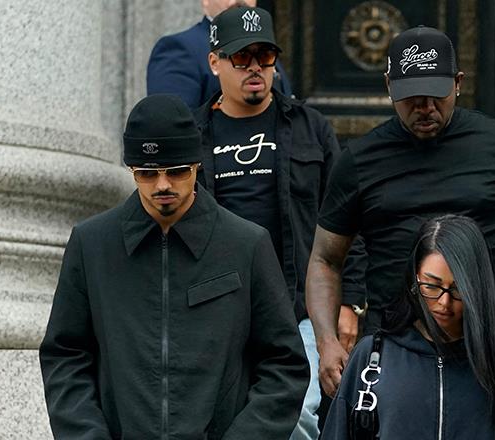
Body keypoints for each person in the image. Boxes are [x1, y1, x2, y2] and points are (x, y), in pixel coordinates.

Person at [39, 94, 309, 439]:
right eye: (147, 173)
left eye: (177, 171)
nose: (163, 185)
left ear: (197, 165)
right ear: (132, 170)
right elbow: (65, 356)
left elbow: (284, 364)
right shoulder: (91, 244)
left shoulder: (247, 244)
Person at [306, 25, 495, 398]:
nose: (425, 108)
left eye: (436, 95)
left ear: (458, 83)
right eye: (411, 98)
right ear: (389, 86)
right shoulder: (359, 160)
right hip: (394, 345)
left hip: (486, 344)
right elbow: (325, 260)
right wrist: (327, 343)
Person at [192, 6, 365, 439]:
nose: (255, 67)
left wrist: (351, 302)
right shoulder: (192, 135)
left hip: (298, 308)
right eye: (241, 56)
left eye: (264, 56)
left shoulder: (311, 127)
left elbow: (348, 218)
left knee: (296, 415)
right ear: (214, 62)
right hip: (217, 308)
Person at [322, 215, 495, 439]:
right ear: (414, 280)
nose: (444, 302)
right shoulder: (373, 358)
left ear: (477, 288)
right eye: (431, 286)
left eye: (458, 290)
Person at [146, 0, 292, 110]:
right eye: (241, 56)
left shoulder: (265, 46)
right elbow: (173, 127)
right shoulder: (180, 48)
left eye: (264, 56)